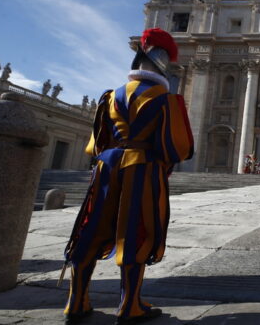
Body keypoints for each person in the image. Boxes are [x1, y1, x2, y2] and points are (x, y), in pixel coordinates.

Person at [62, 28, 194, 324]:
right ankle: (129, 305)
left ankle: (76, 301)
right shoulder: (166, 100)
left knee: (91, 225)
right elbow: (177, 147)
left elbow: (95, 143)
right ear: (164, 64)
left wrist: (109, 158)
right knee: (137, 230)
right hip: (143, 168)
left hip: (107, 168)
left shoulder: (110, 97)